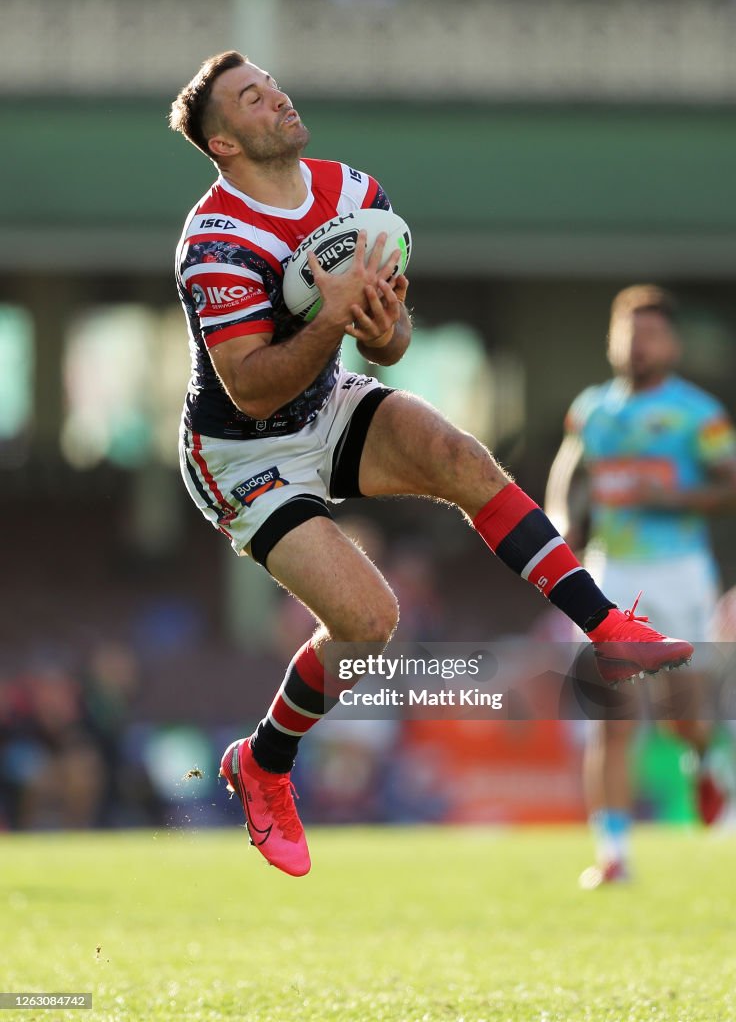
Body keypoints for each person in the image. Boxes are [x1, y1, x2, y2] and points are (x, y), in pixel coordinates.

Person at [169, 52, 692, 877]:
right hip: (244, 452)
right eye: (251, 99)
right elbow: (255, 388)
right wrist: (334, 318)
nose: (276, 98)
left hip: (327, 401)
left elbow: (395, 340)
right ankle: (265, 763)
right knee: (371, 626)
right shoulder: (215, 242)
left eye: (271, 85)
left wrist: (375, 327)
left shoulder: (353, 194)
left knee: (457, 454)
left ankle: (607, 627)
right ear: (225, 143)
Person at [546, 284, 736, 887]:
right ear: (612, 341)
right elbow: (568, 474)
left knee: (683, 712)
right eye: (629, 334)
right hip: (611, 571)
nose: (638, 346)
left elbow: (731, 484)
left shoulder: (699, 414)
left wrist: (673, 496)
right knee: (612, 713)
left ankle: (705, 764)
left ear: (671, 344)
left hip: (680, 569)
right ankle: (613, 854)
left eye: (650, 334)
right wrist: (561, 529)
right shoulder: (594, 410)